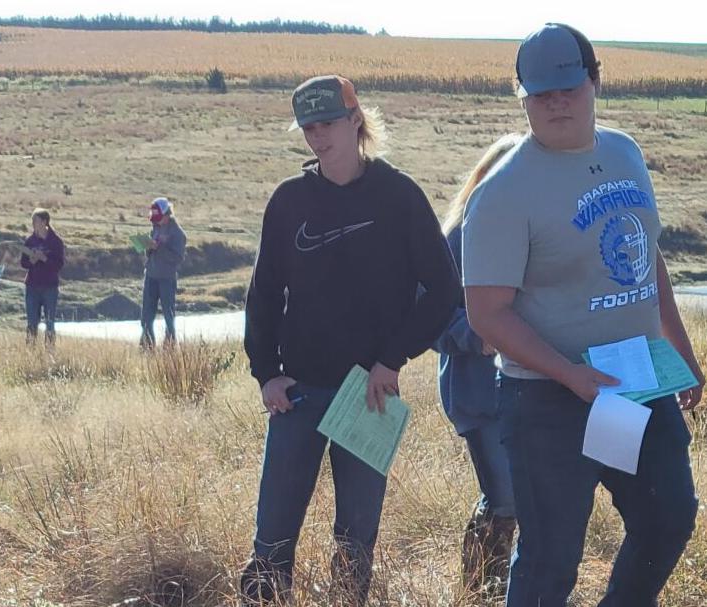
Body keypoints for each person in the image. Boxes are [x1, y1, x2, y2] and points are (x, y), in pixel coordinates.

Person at [462, 23, 703, 607]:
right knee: (551, 561)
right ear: (522, 96)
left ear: (596, 81)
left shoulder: (625, 153)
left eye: (569, 86)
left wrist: (680, 350)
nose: (556, 102)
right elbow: (486, 315)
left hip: (633, 384)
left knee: (668, 516)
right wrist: (570, 375)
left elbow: (647, 261)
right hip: (548, 403)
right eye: (540, 92)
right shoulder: (504, 193)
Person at [242, 74, 460, 606]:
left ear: (355, 120)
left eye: (327, 124)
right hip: (298, 395)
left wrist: (392, 359)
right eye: (308, 127)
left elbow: (445, 290)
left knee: (356, 543)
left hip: (371, 394)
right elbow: (264, 293)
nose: (317, 137)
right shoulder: (289, 201)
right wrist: (267, 373)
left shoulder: (399, 195)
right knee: (271, 542)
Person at [434, 133, 522, 600]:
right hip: (478, 395)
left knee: (528, 502)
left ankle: (512, 589)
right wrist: (481, 336)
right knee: (504, 497)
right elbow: (431, 320)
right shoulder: (457, 238)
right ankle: (479, 590)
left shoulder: (536, 230)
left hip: (532, 394)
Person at [140, 196, 187, 348]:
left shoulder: (178, 234)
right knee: (146, 316)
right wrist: (148, 247)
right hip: (151, 276)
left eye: (159, 218)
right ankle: (147, 347)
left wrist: (160, 248)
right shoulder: (155, 227)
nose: (156, 221)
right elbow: (149, 252)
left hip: (167, 278)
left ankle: (170, 347)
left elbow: (178, 258)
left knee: (168, 316)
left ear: (167, 215)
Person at [20, 208, 65, 346]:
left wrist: (44, 258)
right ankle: (30, 352)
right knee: (32, 322)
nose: (33, 223)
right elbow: (23, 263)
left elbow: (59, 264)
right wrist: (32, 260)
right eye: (32, 221)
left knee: (50, 322)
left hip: (50, 287)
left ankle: (50, 352)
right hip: (32, 286)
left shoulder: (56, 241)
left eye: (36, 220)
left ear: (45, 222)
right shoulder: (30, 240)